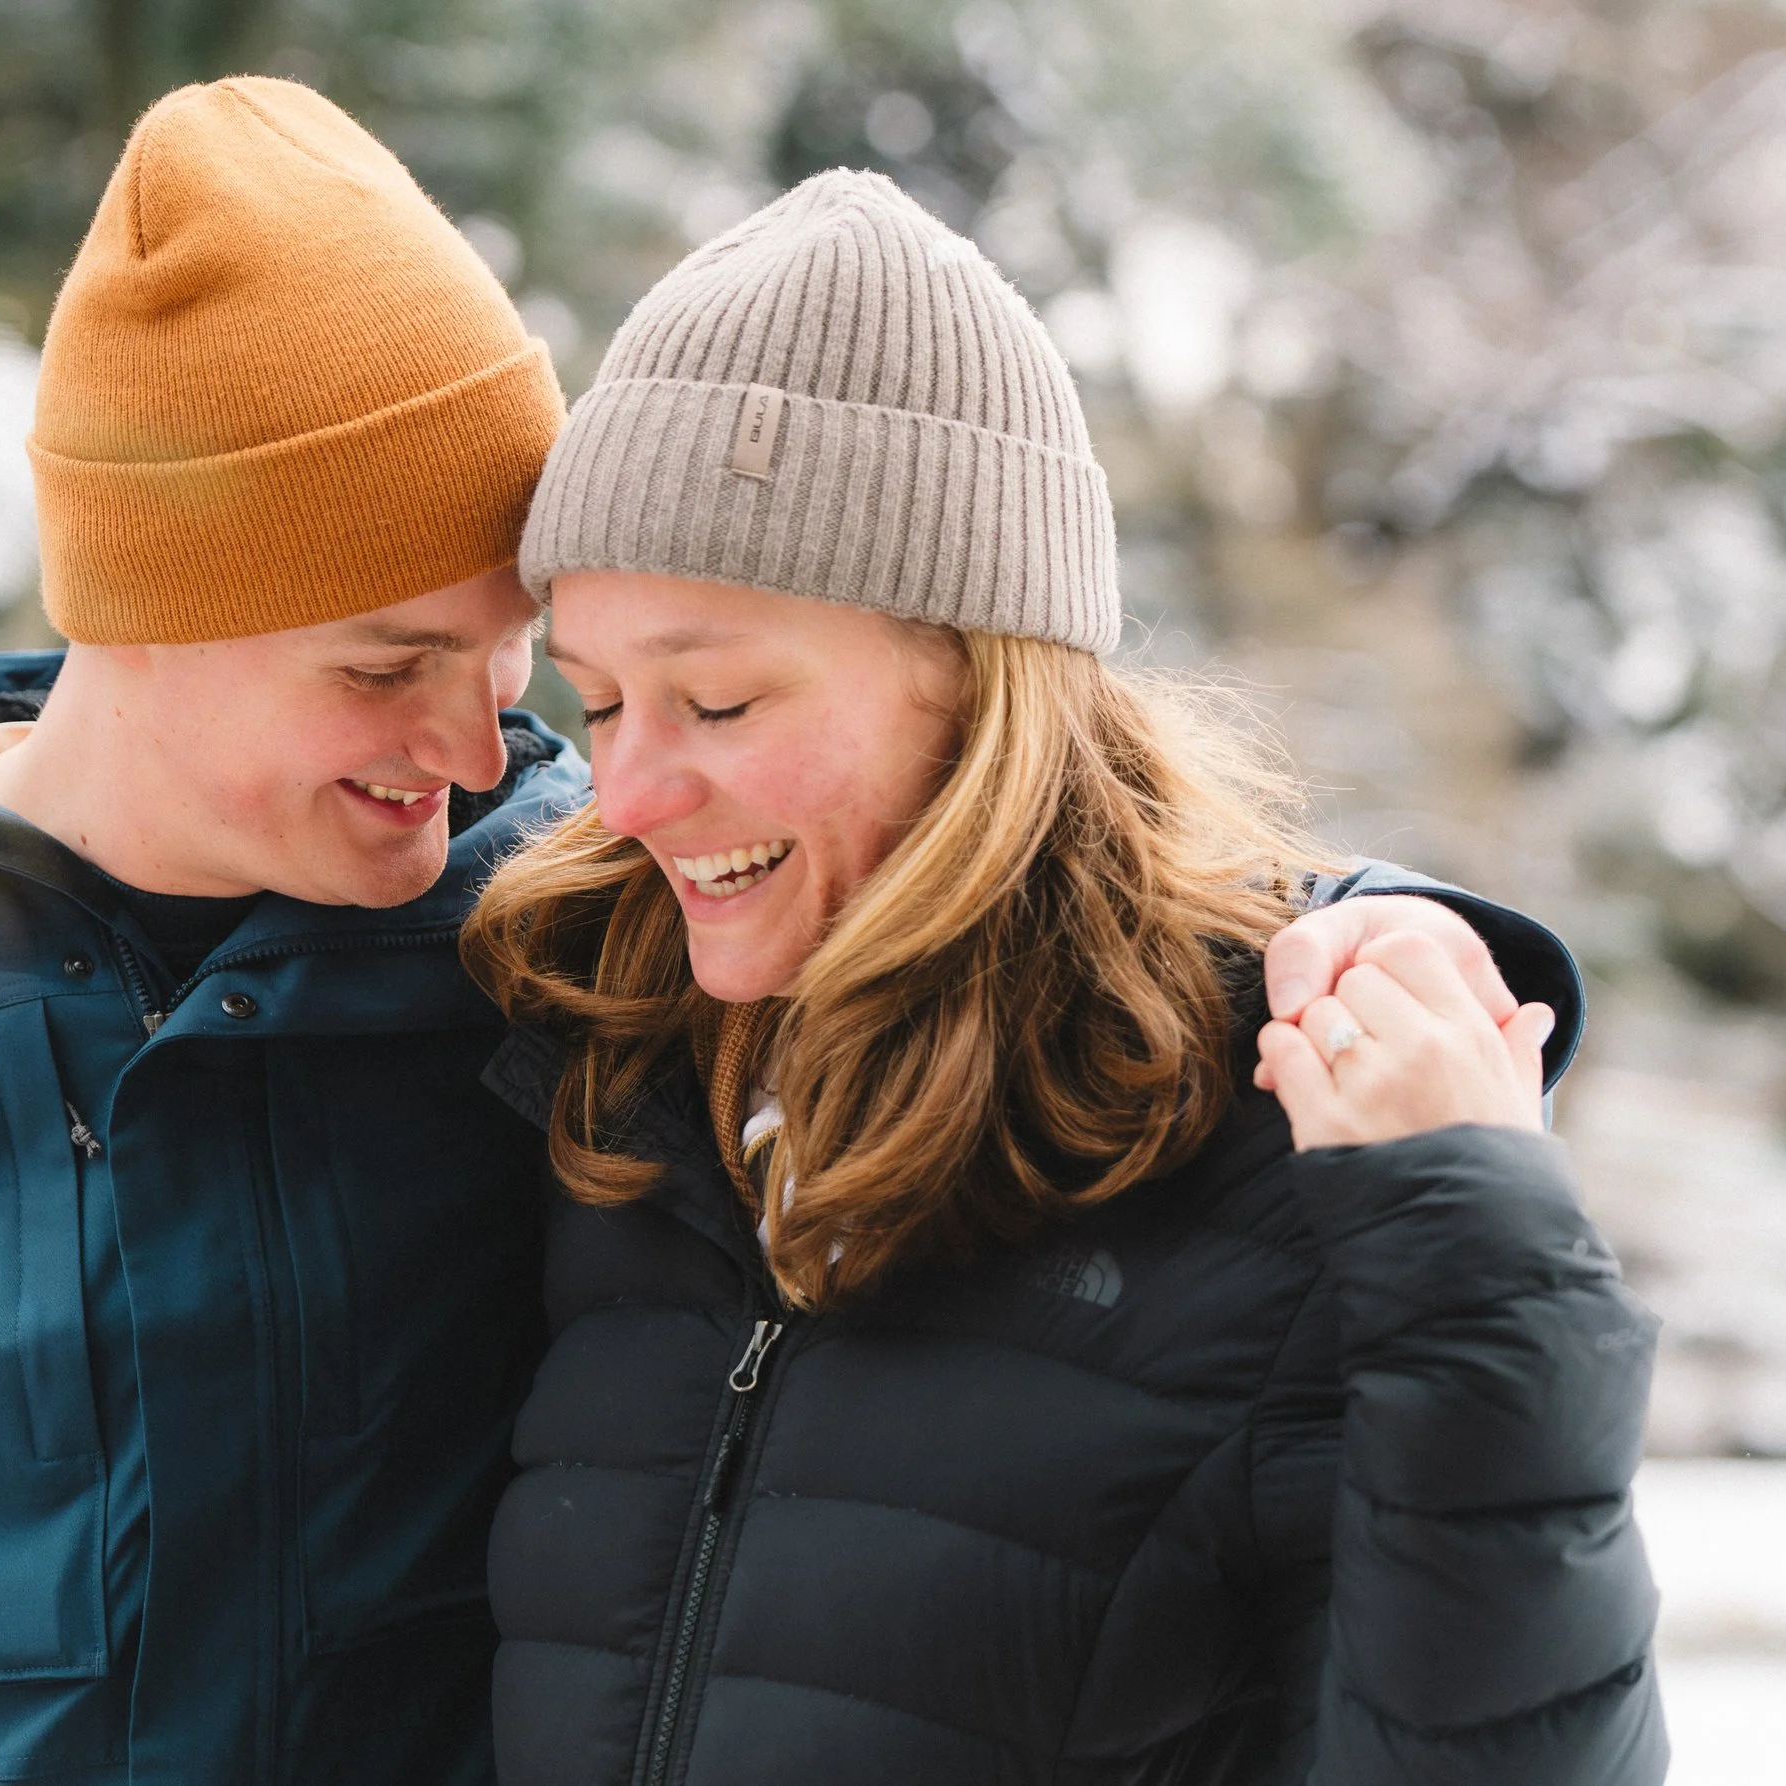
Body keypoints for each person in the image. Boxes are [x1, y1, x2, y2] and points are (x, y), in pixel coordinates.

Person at [0, 84, 1580, 1786]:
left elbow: (974, 859)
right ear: (151, 604)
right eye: (387, 659)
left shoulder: (523, 930)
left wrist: (1381, 963)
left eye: (519, 669)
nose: (495, 747)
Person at [463, 170, 1661, 1786]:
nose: (629, 793)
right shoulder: (589, 1061)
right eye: (600, 702)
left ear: (980, 677)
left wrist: (1482, 1261)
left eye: (722, 703)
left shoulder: (1283, 1144)